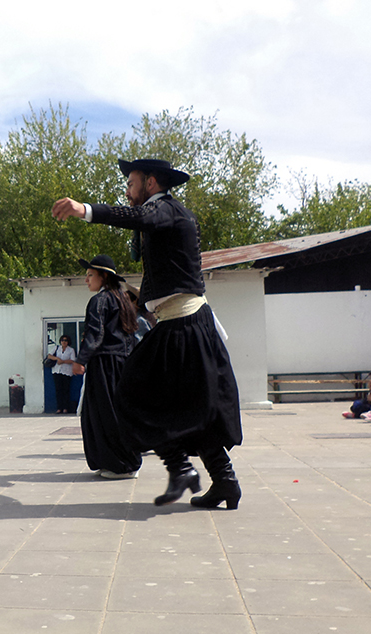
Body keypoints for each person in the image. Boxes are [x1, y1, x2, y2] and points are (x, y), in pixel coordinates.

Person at [52, 158, 243, 510]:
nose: (127, 191)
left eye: (131, 183)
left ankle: (185, 470)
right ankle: (224, 481)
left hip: (185, 324)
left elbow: (138, 217)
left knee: (131, 392)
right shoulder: (166, 218)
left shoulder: (165, 210)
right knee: (187, 407)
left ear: (151, 182)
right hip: (180, 323)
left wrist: (85, 210)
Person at [72, 256, 142, 479]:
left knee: (104, 414)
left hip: (104, 364)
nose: (86, 280)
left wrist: (81, 359)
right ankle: (119, 462)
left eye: (90, 275)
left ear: (103, 276)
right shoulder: (123, 299)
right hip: (122, 363)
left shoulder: (100, 300)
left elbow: (96, 333)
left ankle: (121, 465)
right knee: (118, 412)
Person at [47, 335, 76, 413]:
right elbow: (49, 356)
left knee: (66, 390)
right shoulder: (57, 348)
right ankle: (59, 408)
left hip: (66, 372)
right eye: (62, 340)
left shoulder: (71, 350)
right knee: (58, 390)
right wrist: (57, 358)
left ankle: (65, 408)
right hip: (57, 371)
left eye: (66, 340)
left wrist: (63, 361)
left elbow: (72, 360)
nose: (64, 342)